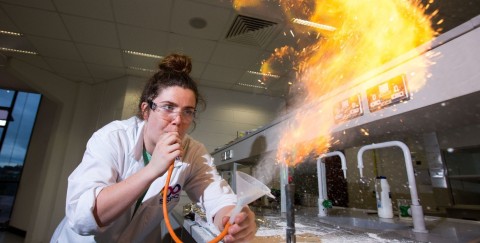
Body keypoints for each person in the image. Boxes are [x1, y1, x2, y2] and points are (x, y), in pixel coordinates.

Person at [51, 53, 257, 242]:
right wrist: (152, 169)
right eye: (168, 107)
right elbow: (82, 219)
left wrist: (232, 219)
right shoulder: (113, 138)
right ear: (146, 110)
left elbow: (216, 197)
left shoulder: (193, 152)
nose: (178, 120)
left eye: (187, 112)